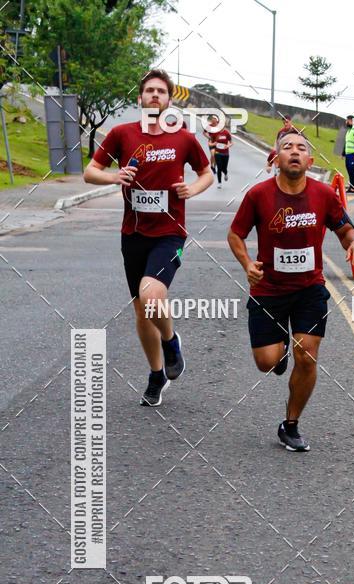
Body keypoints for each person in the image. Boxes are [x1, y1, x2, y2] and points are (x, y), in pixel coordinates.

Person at [228, 129, 354, 451]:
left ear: (309, 160)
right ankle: (280, 353)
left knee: (307, 355)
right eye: (287, 147)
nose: (293, 151)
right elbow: (235, 234)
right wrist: (247, 263)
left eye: (301, 147)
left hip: (309, 289)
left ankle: (290, 424)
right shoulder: (258, 195)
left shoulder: (322, 194)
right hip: (268, 290)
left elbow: (344, 228)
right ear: (276, 158)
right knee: (266, 361)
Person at [83, 69, 213, 406]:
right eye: (149, 91)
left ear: (169, 100)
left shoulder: (183, 138)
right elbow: (89, 172)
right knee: (142, 312)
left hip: (170, 233)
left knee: (152, 294)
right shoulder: (121, 134)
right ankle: (157, 374)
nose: (155, 96)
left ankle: (171, 343)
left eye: (161, 91)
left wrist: (192, 189)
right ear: (140, 98)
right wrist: (114, 177)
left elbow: (206, 174)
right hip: (133, 234)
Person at [208, 114, 232, 188]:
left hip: (225, 153)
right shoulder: (215, 133)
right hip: (218, 152)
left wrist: (228, 145)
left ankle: (225, 173)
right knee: (219, 167)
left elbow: (231, 142)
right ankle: (219, 183)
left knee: (224, 168)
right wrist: (213, 144)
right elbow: (209, 142)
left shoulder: (227, 133)